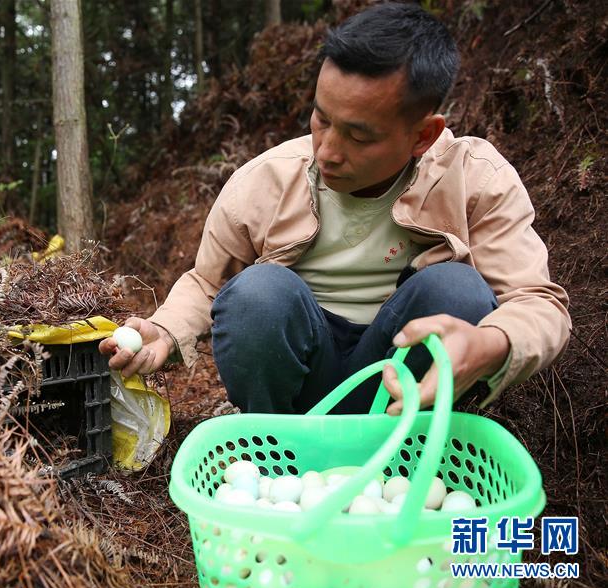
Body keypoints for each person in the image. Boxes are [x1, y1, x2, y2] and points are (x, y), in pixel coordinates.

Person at [99, 2, 570, 416]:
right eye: (321, 119)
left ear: (423, 136)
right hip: (298, 380)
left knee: (457, 290)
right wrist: (165, 330)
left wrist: (490, 344)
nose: (327, 151)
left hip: (401, 384)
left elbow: (538, 303)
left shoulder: (475, 179)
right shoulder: (265, 181)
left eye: (359, 136)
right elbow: (208, 283)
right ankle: (276, 451)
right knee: (257, 293)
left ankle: (411, 447)